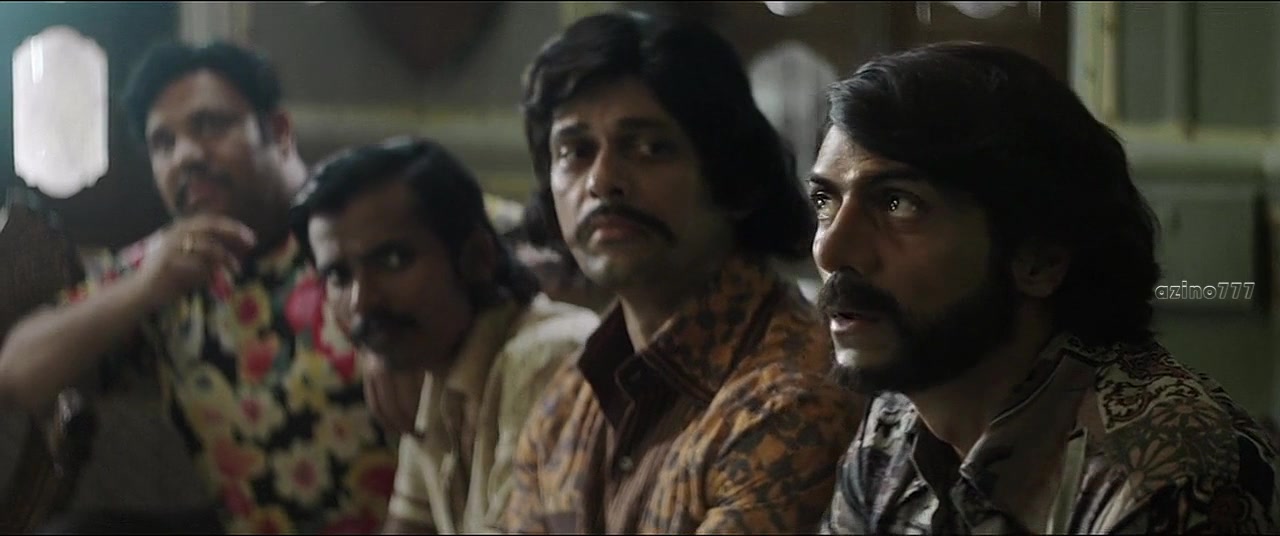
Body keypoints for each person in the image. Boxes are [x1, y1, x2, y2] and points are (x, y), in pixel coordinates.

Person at [811, 42, 1280, 534]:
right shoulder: (895, 422)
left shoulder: (1166, 472)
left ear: (1040, 259)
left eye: (898, 204)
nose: (830, 251)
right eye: (825, 201)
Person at [0, 42, 400, 533]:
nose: (185, 155)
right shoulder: (167, 263)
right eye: (163, 144)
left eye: (210, 125)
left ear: (278, 132)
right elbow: (15, 372)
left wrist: (400, 338)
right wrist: (143, 290)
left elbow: (487, 270)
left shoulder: (365, 218)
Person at [502, 11, 862, 533]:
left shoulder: (791, 401)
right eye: (575, 151)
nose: (602, 181)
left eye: (650, 148)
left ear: (731, 175)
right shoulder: (569, 398)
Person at [291, 137, 599, 534]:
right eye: (339, 276)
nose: (362, 301)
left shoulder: (548, 357)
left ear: (478, 257)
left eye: (393, 260)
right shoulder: (436, 362)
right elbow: (409, 526)